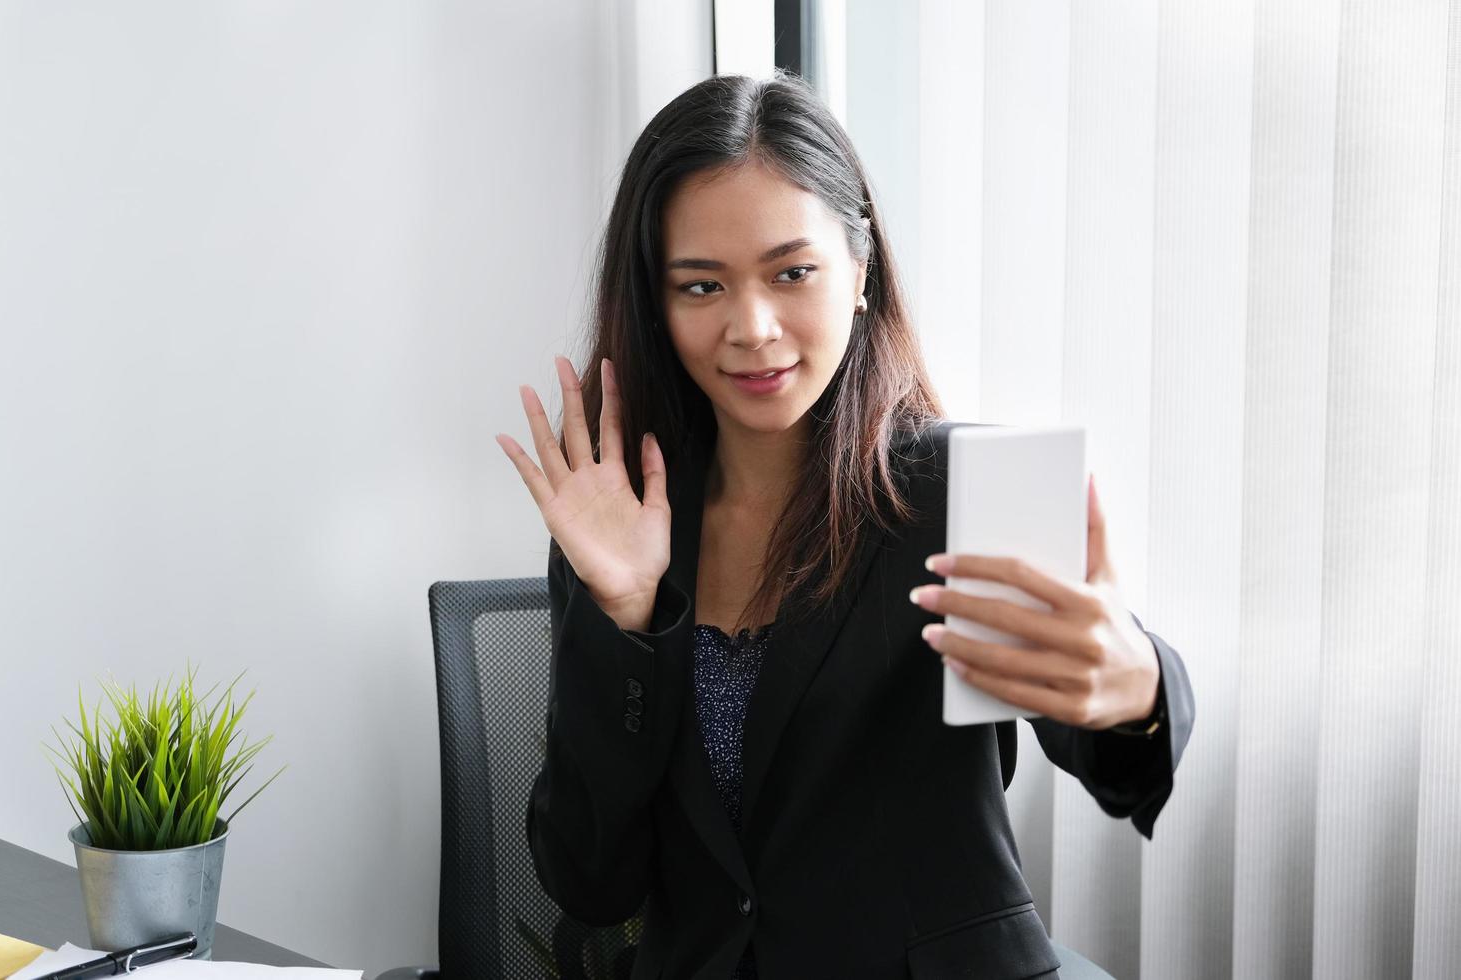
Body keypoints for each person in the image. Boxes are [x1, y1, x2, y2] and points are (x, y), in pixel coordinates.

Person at [495, 71, 1193, 980]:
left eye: (793, 273)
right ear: (658, 307)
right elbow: (590, 884)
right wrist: (624, 617)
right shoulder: (619, 524)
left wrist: (1135, 689)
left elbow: (1123, 764)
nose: (753, 327)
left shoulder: (964, 487)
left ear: (860, 272)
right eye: (702, 286)